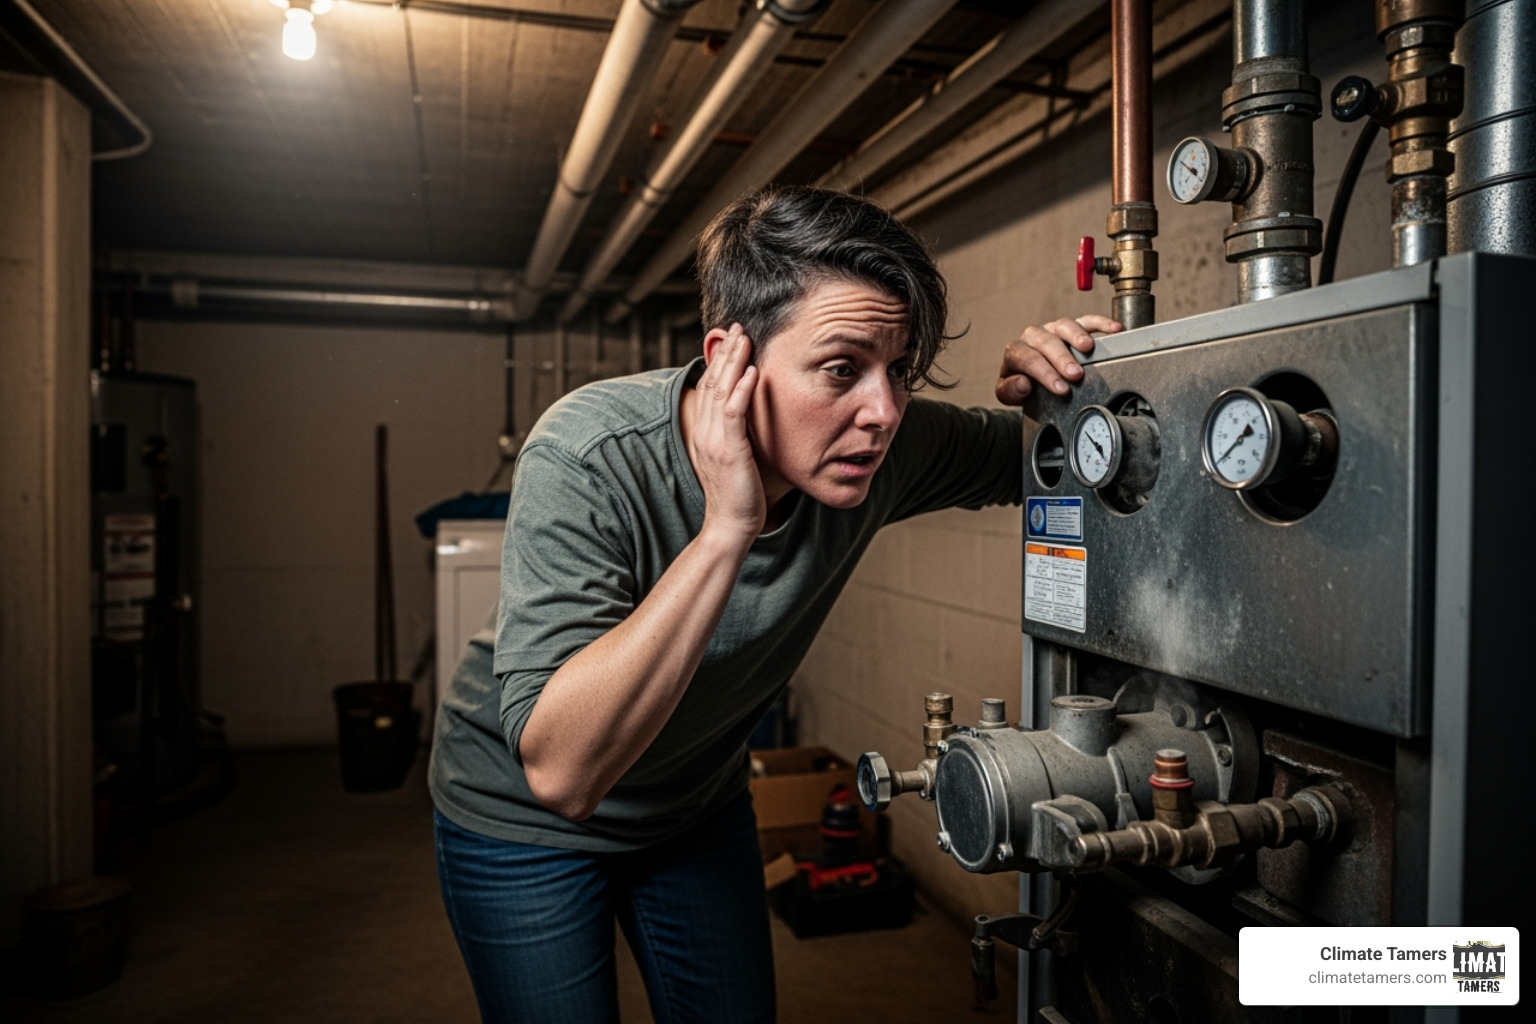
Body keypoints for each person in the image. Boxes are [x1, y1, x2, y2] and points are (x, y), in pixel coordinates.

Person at [428, 184, 1118, 1023]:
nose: (886, 411)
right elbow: (563, 773)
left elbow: (1057, 459)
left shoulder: (880, 447)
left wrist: (1066, 392)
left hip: (693, 806)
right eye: (841, 368)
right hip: (520, 825)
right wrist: (727, 527)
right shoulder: (589, 453)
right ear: (731, 362)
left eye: (898, 370)